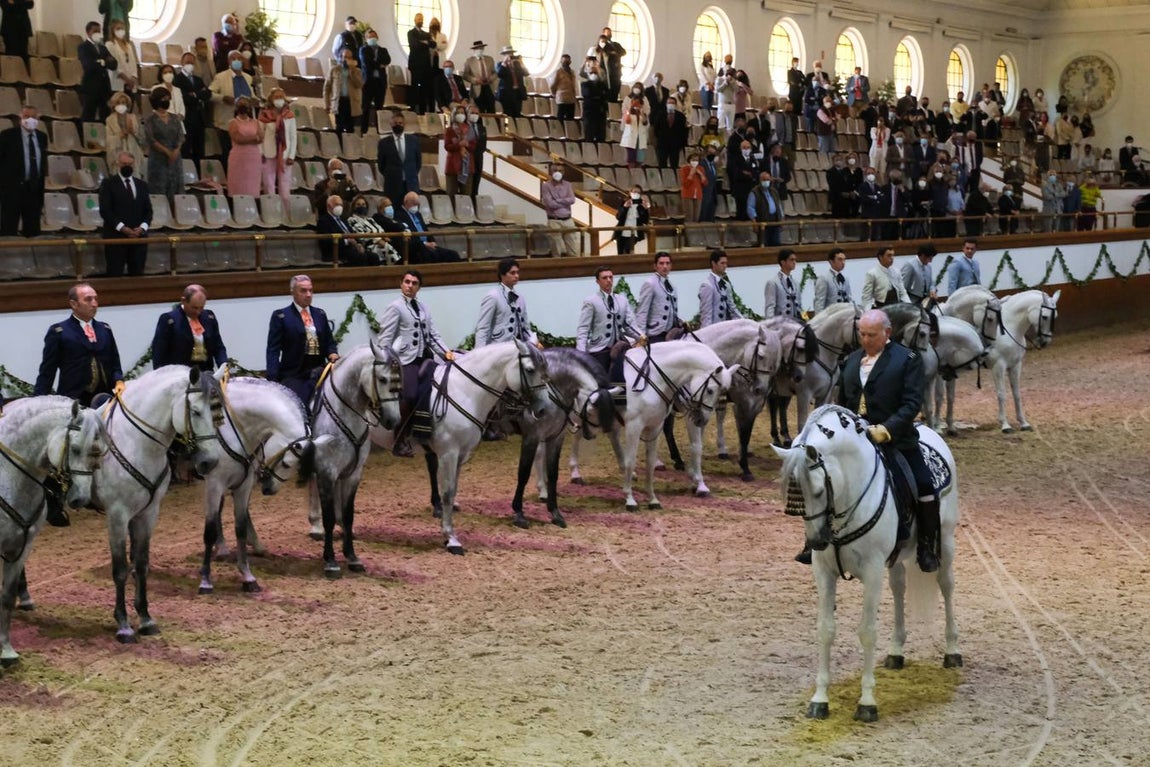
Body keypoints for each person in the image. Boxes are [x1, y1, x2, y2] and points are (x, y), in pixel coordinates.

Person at [833, 309, 940, 573]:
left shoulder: (907, 359)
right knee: (824, 479)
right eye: (862, 334)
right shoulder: (850, 360)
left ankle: (927, 545)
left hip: (896, 439)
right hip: (855, 441)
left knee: (925, 485)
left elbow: (912, 402)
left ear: (887, 333)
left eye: (871, 335)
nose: (865, 340)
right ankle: (817, 542)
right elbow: (842, 402)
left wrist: (887, 429)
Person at [378, 270, 453, 456]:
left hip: (425, 358)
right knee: (410, 395)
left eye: (414, 283)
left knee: (441, 388)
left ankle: (426, 431)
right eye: (407, 282)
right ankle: (399, 439)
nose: (410, 285)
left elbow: (433, 335)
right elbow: (384, 339)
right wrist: (385, 362)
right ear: (401, 283)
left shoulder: (424, 308)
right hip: (405, 360)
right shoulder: (395, 307)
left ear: (419, 287)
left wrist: (446, 352)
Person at [34, 282, 124, 408]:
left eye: (96, 299)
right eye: (88, 300)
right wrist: (37, 402)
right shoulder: (60, 331)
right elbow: (47, 371)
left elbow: (114, 361)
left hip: (106, 398)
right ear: (74, 304)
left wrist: (118, 380)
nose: (94, 304)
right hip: (74, 400)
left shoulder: (104, 329)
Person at [265, 275, 339, 407]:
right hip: (294, 374)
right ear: (293, 292)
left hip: (319, 371)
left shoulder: (320, 314)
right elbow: (273, 350)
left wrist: (332, 352)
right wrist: (273, 379)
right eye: (303, 291)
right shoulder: (281, 316)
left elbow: (329, 341)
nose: (308, 294)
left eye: (311, 290)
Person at [576, 266, 643, 374]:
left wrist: (641, 337)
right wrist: (580, 354)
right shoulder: (591, 301)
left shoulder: (622, 300)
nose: (608, 280)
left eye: (611, 277)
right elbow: (583, 329)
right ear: (597, 281)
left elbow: (629, 325)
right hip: (599, 348)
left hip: (620, 346)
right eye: (604, 278)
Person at [98, 150, 152, 277]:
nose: (127, 166)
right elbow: (105, 210)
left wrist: (142, 228)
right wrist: (123, 228)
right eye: (124, 163)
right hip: (116, 237)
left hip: (138, 238)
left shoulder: (142, 185)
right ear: (118, 164)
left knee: (138, 275)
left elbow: (148, 211)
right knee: (115, 274)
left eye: (130, 164)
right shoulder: (108, 184)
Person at [151, 284, 228, 371]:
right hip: (179, 374)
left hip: (206, 372)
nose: (198, 312)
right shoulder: (169, 320)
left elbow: (218, 346)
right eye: (194, 308)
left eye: (201, 307)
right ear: (183, 301)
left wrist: (223, 366)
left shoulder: (209, 317)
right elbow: (158, 353)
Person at [0, 104, 47, 237]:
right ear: (20, 117)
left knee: (32, 228)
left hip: (33, 188)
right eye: (26, 116)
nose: (30, 120)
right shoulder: (7, 135)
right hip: (12, 188)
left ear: (38, 118)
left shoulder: (42, 137)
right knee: (8, 226)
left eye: (33, 117)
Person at [475, 257, 540, 348]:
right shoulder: (493, 296)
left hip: (518, 348)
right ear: (502, 274)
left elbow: (525, 326)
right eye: (512, 273)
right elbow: (483, 328)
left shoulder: (520, 298)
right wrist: (479, 353)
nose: (516, 276)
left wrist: (534, 341)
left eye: (517, 272)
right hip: (498, 347)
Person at [209, 50, 255, 169]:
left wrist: (254, 100)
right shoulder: (221, 77)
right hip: (227, 121)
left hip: (245, 122)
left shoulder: (248, 77)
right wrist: (223, 98)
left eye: (239, 59)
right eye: (233, 59)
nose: (236, 61)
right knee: (228, 153)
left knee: (244, 153)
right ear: (228, 61)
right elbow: (210, 94)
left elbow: (251, 95)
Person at [141, 86, 184, 207]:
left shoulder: (175, 118)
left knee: (176, 187)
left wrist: (176, 150)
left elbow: (180, 136)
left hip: (175, 159)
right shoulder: (150, 120)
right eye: (164, 98)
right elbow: (151, 139)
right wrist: (167, 152)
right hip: (158, 159)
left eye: (168, 98)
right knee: (158, 188)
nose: (167, 101)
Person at [393, 191, 462, 263]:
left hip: (428, 246)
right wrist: (425, 244)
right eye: (414, 204)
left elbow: (425, 230)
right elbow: (409, 238)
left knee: (453, 255)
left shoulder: (418, 214)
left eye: (417, 204)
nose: (415, 206)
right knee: (428, 256)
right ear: (406, 202)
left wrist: (432, 242)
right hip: (416, 249)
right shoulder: (399, 216)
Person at [258, 87, 296, 208]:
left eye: (281, 97)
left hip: (285, 155)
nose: (279, 99)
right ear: (271, 99)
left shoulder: (289, 115)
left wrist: (291, 155)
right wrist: (261, 153)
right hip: (268, 154)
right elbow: (260, 136)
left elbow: (293, 136)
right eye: (276, 97)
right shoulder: (264, 115)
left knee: (285, 186)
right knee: (268, 185)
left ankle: (285, 211)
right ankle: (271, 210)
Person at [173, 51, 211, 173]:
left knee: (199, 150)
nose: (190, 64)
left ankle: (199, 175)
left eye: (192, 62)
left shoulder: (198, 79)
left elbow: (207, 93)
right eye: (187, 62)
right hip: (187, 119)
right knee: (186, 149)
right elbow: (184, 98)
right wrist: (197, 95)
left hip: (199, 119)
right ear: (182, 63)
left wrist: (194, 94)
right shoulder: (177, 80)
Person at [635, 252, 682, 343]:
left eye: (667, 263)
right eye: (661, 263)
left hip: (670, 332)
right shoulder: (650, 283)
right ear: (655, 266)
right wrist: (641, 336)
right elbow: (642, 312)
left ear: (671, 266)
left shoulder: (671, 285)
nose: (665, 266)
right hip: (655, 332)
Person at [377, 111, 421, 206]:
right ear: (391, 124)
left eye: (400, 123)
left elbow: (418, 163)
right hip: (392, 185)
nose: (398, 125)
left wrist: (410, 174)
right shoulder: (384, 143)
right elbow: (381, 165)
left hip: (411, 184)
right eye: (395, 123)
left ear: (404, 124)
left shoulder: (413, 140)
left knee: (412, 211)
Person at [316, 194, 372, 265]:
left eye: (341, 205)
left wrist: (359, 244)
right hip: (336, 251)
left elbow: (352, 233)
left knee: (373, 256)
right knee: (361, 257)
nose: (339, 207)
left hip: (350, 249)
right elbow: (325, 242)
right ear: (329, 206)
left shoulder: (343, 219)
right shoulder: (323, 221)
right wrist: (346, 241)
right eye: (336, 204)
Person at [79, 21, 118, 122]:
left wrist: (101, 61)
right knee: (88, 115)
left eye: (99, 31)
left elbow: (114, 64)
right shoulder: (83, 47)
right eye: (95, 31)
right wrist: (105, 62)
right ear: (88, 32)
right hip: (91, 86)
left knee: (105, 115)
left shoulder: (103, 48)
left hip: (104, 87)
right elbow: (89, 65)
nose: (98, 33)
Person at [347, 194, 400, 265]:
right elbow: (361, 234)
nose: (361, 206)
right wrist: (377, 240)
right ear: (354, 207)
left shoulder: (370, 219)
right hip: (369, 244)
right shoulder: (352, 220)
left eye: (363, 204)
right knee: (384, 248)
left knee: (396, 243)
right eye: (358, 204)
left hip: (382, 241)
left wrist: (384, 236)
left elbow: (380, 229)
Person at [226, 97, 263, 197]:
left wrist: (247, 138)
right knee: (238, 185)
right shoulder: (233, 122)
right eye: (241, 104)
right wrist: (253, 139)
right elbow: (238, 139)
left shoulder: (255, 122)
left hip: (253, 158)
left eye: (246, 105)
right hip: (238, 157)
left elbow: (260, 138)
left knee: (252, 185)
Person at [540, 164, 580, 256]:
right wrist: (564, 202)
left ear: (564, 172)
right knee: (556, 250)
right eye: (555, 170)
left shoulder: (568, 185)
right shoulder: (546, 186)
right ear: (551, 172)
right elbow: (550, 203)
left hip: (568, 220)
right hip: (554, 220)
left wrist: (557, 200)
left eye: (560, 170)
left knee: (573, 250)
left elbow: (572, 200)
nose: (558, 172)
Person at [698, 249, 743, 327]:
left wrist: (744, 322)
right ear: (713, 264)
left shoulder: (726, 284)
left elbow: (732, 308)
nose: (725, 266)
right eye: (722, 263)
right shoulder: (707, 285)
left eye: (726, 263)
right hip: (715, 329)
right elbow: (706, 314)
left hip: (726, 328)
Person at [324, 45, 363, 135]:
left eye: (349, 58)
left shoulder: (357, 71)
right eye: (345, 57)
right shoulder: (334, 70)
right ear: (341, 57)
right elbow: (327, 88)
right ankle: (339, 147)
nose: (347, 59)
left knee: (350, 128)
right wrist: (327, 104)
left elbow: (359, 84)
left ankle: (349, 147)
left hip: (351, 102)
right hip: (339, 102)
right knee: (339, 127)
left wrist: (352, 71)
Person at [358, 28, 390, 134]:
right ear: (366, 39)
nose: (373, 38)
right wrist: (379, 64)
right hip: (368, 82)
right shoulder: (363, 49)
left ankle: (379, 130)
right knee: (365, 107)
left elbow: (387, 60)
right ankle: (364, 130)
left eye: (374, 37)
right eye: (370, 37)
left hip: (380, 83)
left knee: (379, 108)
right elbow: (367, 64)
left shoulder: (383, 50)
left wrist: (375, 63)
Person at [443, 105, 476, 198]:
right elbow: (447, 146)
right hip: (452, 166)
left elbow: (474, 147)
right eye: (458, 113)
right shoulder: (450, 130)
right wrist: (459, 145)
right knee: (451, 195)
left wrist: (467, 144)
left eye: (462, 113)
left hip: (467, 166)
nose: (461, 115)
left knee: (466, 196)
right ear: (454, 115)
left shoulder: (470, 129)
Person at [764, 248, 802, 319]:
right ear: (783, 262)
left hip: (796, 324)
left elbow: (799, 307)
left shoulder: (796, 283)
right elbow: (770, 307)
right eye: (791, 260)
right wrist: (771, 325)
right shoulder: (773, 282)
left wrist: (806, 320)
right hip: (780, 325)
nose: (794, 262)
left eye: (795, 260)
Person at [813, 248, 854, 313]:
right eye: (840, 259)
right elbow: (819, 302)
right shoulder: (823, 278)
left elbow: (849, 298)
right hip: (830, 317)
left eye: (844, 260)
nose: (843, 263)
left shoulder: (845, 278)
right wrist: (819, 320)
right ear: (831, 261)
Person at [748, 171, 784, 247]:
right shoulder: (755, 192)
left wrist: (782, 219)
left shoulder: (774, 191)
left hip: (775, 221)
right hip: (762, 222)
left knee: (776, 243)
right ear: (760, 180)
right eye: (764, 180)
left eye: (768, 179)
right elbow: (750, 208)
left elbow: (779, 206)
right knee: (764, 243)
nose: (766, 181)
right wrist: (754, 223)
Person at [105, 18, 138, 98]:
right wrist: (126, 79)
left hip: (131, 82)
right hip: (118, 81)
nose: (121, 30)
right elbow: (115, 65)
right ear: (113, 30)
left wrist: (133, 77)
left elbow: (133, 63)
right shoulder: (110, 45)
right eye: (118, 28)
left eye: (122, 28)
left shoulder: (128, 45)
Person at [613, 185, 650, 255]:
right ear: (630, 192)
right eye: (635, 191)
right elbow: (618, 217)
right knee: (620, 253)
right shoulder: (624, 202)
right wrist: (624, 208)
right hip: (622, 231)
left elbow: (645, 220)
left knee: (628, 250)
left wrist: (644, 209)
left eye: (638, 192)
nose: (636, 193)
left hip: (634, 232)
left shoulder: (642, 204)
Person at [463, 40, 496, 114]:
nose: (480, 50)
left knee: (491, 110)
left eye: (481, 48)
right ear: (474, 50)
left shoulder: (489, 59)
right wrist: (475, 80)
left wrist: (491, 78)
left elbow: (495, 73)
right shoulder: (469, 61)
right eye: (477, 49)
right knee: (479, 110)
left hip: (489, 87)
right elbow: (465, 75)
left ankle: (492, 125)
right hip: (477, 88)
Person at [579, 60, 608, 143]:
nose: (594, 74)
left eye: (595, 72)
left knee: (601, 137)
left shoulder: (602, 85)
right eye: (592, 72)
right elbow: (587, 93)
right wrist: (599, 94)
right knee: (589, 136)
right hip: (590, 114)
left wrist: (598, 95)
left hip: (600, 114)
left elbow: (606, 95)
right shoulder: (585, 84)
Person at [496, 46, 529, 118]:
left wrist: (521, 63)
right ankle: (508, 129)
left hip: (517, 92)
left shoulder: (517, 65)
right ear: (504, 55)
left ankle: (517, 128)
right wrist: (504, 63)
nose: (510, 56)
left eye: (511, 54)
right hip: (506, 94)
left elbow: (526, 73)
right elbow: (499, 74)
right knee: (507, 114)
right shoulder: (500, 64)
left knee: (517, 113)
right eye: (508, 54)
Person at [597, 28, 626, 101]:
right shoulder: (601, 46)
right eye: (607, 33)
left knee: (614, 96)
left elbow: (623, 52)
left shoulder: (616, 45)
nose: (609, 34)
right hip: (605, 75)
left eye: (610, 33)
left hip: (615, 74)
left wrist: (615, 53)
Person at [1, 0, 34, 64]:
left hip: (23, 29)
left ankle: (23, 73)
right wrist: (22, 3)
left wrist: (15, 3)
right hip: (10, 29)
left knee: (24, 56)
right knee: (12, 56)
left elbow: (30, 4)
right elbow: (6, 6)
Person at [465, 105, 487, 200]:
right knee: (466, 186)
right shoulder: (463, 127)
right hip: (467, 158)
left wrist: (478, 153)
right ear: (467, 114)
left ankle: (474, 202)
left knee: (476, 183)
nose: (474, 115)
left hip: (478, 158)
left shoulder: (482, 128)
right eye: (472, 113)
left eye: (476, 113)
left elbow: (483, 145)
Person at [680, 151, 707, 223]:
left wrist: (701, 175)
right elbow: (685, 184)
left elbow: (705, 183)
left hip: (698, 195)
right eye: (693, 160)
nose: (695, 162)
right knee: (689, 216)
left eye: (697, 160)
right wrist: (691, 174)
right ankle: (688, 232)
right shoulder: (684, 169)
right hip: (687, 195)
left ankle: (694, 232)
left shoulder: (701, 168)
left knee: (696, 216)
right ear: (689, 160)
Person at [550, 54, 577, 123]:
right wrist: (554, 94)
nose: (566, 62)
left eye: (568, 61)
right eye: (564, 61)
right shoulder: (558, 72)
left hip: (571, 99)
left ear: (570, 62)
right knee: (560, 119)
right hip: (562, 98)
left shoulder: (572, 72)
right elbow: (552, 85)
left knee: (570, 120)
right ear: (561, 62)